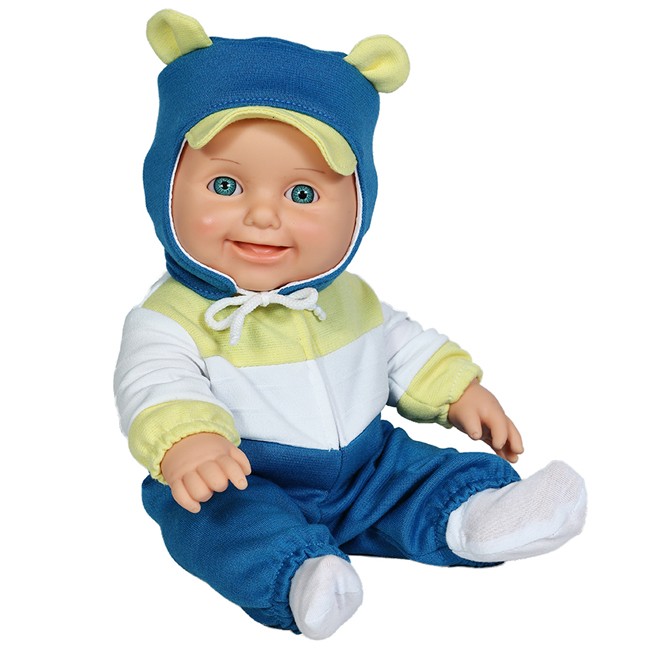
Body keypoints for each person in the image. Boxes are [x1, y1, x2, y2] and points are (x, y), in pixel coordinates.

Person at [114, 9, 587, 640]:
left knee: (417, 473)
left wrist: (456, 389)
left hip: (367, 468)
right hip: (245, 477)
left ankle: (478, 516)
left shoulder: (349, 298)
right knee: (217, 521)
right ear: (165, 188)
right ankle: (299, 576)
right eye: (226, 185)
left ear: (358, 207)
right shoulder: (169, 318)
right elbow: (155, 381)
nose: (262, 216)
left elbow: (400, 345)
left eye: (302, 194)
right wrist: (188, 441)